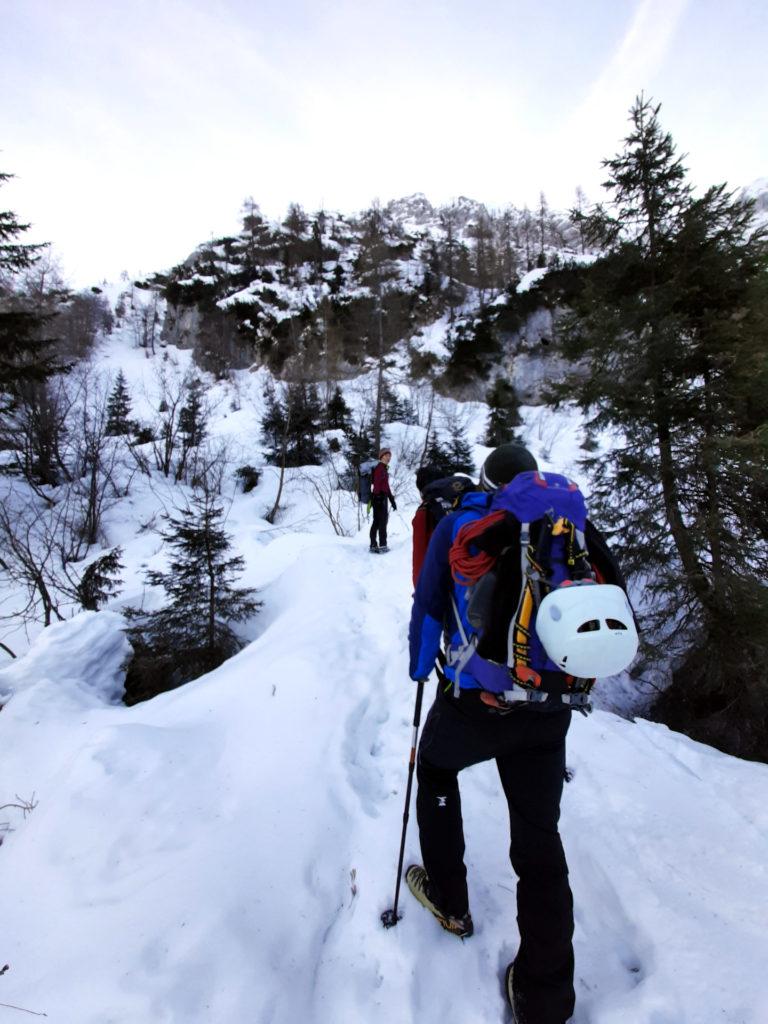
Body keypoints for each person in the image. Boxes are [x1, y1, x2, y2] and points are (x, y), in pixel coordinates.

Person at [406, 442, 629, 1024]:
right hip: (550, 707)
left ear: (489, 483)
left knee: (436, 768)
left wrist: (418, 666)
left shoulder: (463, 522)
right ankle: (544, 995)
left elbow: (429, 609)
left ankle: (451, 901)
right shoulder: (571, 528)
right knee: (540, 847)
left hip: (478, 703)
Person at [369, 448, 396, 553]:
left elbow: (386, 486)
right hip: (379, 498)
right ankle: (382, 545)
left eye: (390, 456)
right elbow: (376, 485)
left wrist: (391, 500)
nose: (389, 458)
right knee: (381, 522)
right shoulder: (379, 468)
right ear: (382, 456)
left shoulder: (384, 468)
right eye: (387, 455)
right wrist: (378, 497)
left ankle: (373, 544)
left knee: (377, 521)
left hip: (381, 498)